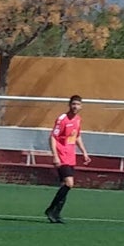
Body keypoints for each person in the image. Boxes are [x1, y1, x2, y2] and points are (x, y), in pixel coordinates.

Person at [44, 95, 92, 223]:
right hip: (62, 156)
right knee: (69, 183)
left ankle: (56, 214)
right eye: (73, 104)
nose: (75, 106)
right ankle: (51, 210)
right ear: (69, 105)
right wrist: (55, 155)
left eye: (78, 104)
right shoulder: (62, 119)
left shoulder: (78, 120)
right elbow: (52, 137)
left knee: (64, 185)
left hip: (71, 156)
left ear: (81, 106)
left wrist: (84, 153)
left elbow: (77, 137)